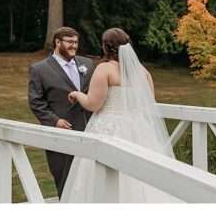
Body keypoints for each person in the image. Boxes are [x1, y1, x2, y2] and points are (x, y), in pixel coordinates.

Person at [60, 28, 177, 202]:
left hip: (109, 128)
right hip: (139, 130)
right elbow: (148, 104)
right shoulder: (143, 72)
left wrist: (77, 94)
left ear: (105, 47)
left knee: (100, 173)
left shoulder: (105, 69)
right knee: (142, 177)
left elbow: (93, 104)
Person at [28, 27, 95, 197]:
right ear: (57, 42)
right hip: (61, 131)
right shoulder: (39, 69)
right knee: (64, 178)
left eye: (76, 42)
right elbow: (36, 102)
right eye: (70, 42)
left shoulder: (87, 64)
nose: (74, 46)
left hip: (90, 129)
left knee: (91, 179)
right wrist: (54, 121)